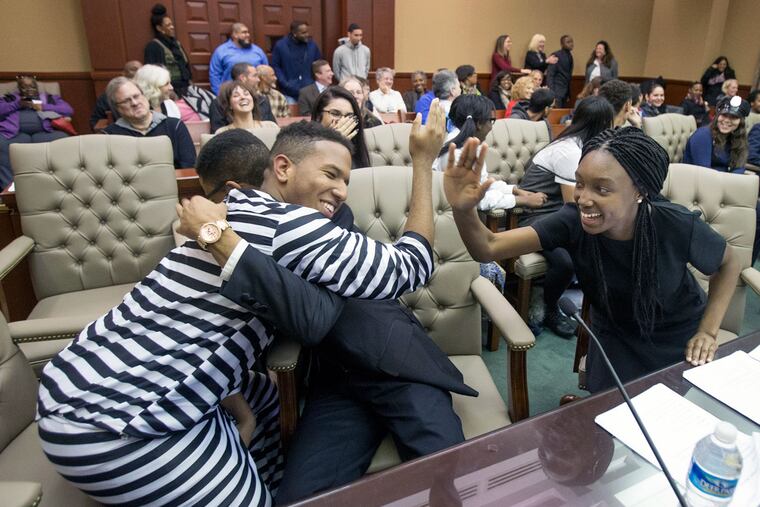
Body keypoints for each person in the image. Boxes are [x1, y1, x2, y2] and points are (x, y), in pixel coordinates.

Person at [37, 107, 446, 504]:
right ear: (282, 168)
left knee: (263, 396)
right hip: (121, 432)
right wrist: (424, 162)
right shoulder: (290, 225)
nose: (342, 191)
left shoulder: (225, 216)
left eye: (345, 180)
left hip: (68, 389)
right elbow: (411, 265)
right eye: (331, 175)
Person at [444, 126, 740, 393]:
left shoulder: (673, 223)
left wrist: (708, 331)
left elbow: (729, 264)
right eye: (580, 183)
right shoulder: (573, 221)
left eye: (602, 189)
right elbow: (488, 247)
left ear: (639, 191)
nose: (583, 198)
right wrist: (462, 209)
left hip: (679, 339)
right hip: (615, 338)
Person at [516, 96, 614, 336]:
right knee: (565, 261)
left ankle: (595, 308)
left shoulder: (581, 146)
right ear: (600, 124)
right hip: (535, 215)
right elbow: (575, 206)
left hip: (555, 213)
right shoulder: (569, 151)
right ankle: (548, 309)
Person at [433, 94, 547, 212]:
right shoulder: (456, 152)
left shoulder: (471, 143)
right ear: (479, 124)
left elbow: (482, 183)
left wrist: (514, 190)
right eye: (491, 121)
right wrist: (522, 200)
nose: (491, 127)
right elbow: (476, 199)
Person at [683, 96, 759, 263]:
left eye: (734, 117)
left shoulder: (738, 138)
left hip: (723, 189)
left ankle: (744, 264)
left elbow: (738, 169)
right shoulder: (703, 135)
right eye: (724, 115)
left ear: (741, 121)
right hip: (697, 191)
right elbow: (704, 175)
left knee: (758, 210)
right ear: (717, 115)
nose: (727, 121)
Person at [102, 77, 195, 168]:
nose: (134, 103)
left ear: (145, 96)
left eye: (136, 96)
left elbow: (189, 166)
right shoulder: (109, 136)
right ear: (117, 108)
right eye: (126, 100)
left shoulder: (174, 126)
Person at [0, 75, 74, 188]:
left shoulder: (49, 98)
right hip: (15, 134)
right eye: (25, 87)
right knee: (1, 144)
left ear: (37, 87)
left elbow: (68, 110)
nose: (29, 90)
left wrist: (42, 106)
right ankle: (10, 189)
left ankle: (63, 184)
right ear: (19, 89)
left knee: (63, 140)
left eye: (32, 87)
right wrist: (17, 104)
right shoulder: (9, 98)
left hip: (45, 132)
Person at [311, 85, 370, 168]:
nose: (342, 121)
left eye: (349, 116)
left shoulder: (357, 147)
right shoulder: (305, 145)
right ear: (318, 116)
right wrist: (333, 144)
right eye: (335, 113)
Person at [210, 62, 275, 132]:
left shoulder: (263, 101)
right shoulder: (219, 104)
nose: (258, 80)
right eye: (255, 76)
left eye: (246, 94)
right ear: (243, 78)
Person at [143, 3, 192, 95]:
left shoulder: (177, 44)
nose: (172, 27)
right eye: (168, 25)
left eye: (172, 24)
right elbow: (152, 75)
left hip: (186, 88)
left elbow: (186, 67)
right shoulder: (153, 47)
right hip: (170, 90)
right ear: (159, 28)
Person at [209, 23, 268, 94]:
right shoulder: (221, 51)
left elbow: (266, 72)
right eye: (244, 32)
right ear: (234, 35)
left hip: (256, 94)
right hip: (231, 95)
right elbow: (214, 75)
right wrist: (219, 94)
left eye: (248, 32)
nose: (248, 35)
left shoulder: (257, 51)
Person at [272, 21, 322, 102]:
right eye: (303, 33)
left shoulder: (312, 46)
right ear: (294, 33)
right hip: (288, 92)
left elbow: (319, 65)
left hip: (309, 90)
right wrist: (285, 83)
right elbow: (276, 66)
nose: (307, 35)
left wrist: (314, 82)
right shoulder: (281, 46)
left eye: (307, 32)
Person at [134, 64, 201, 122]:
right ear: (152, 87)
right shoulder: (138, 109)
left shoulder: (170, 106)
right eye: (166, 84)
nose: (171, 88)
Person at [90, 60, 141, 130]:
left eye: (140, 70)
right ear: (123, 74)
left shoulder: (150, 93)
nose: (137, 72)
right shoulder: (108, 96)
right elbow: (95, 121)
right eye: (133, 69)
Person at [546, 35, 574, 107]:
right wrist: (552, 92)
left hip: (565, 92)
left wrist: (568, 93)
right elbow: (550, 75)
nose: (571, 44)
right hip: (556, 91)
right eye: (568, 42)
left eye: (572, 41)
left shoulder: (570, 56)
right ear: (562, 44)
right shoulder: (556, 55)